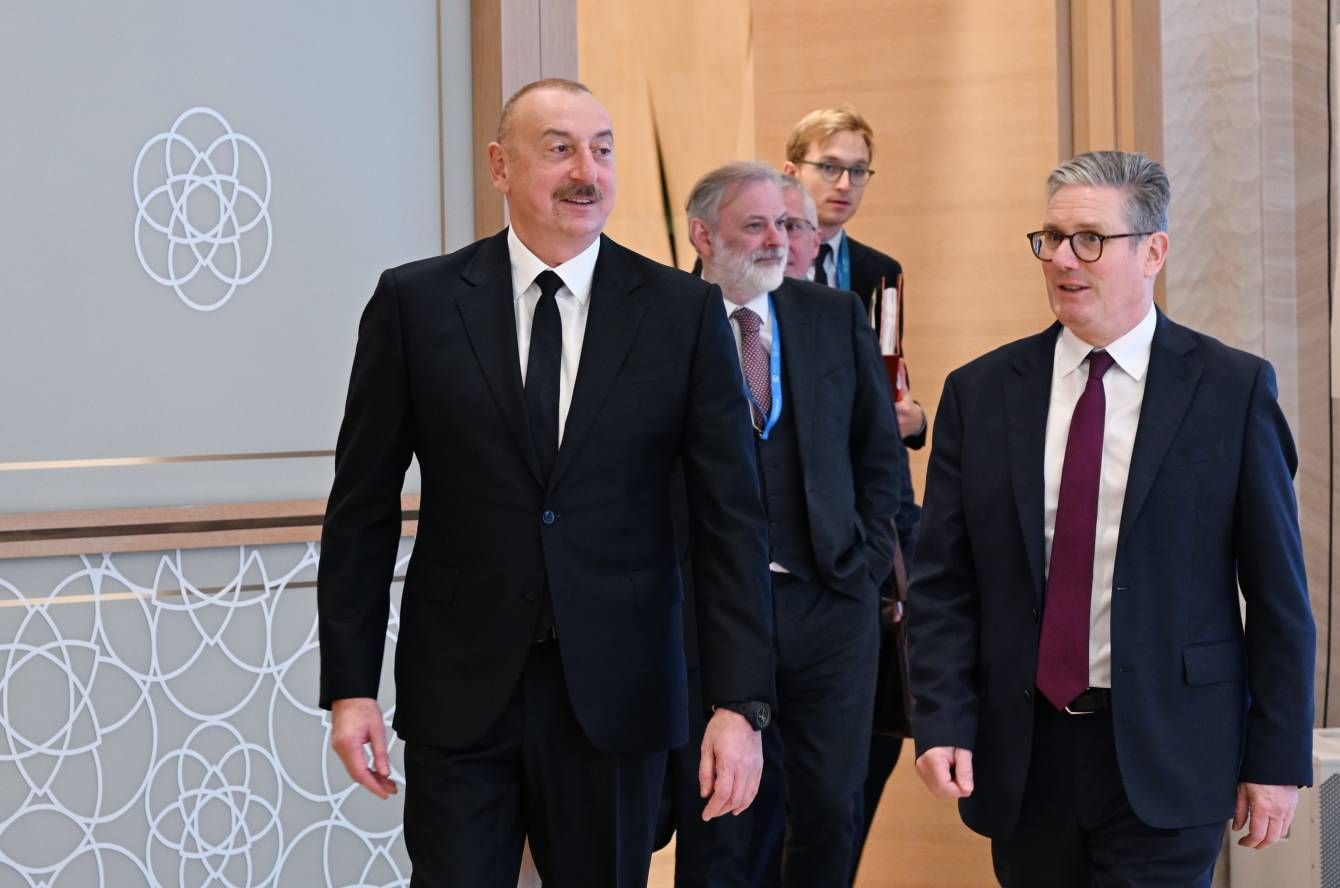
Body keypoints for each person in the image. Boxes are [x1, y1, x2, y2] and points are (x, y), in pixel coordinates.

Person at [317, 78, 775, 888]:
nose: (586, 172)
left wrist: (740, 705)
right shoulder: (415, 304)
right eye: (559, 148)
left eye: (602, 150)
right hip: (461, 694)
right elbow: (361, 510)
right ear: (500, 165)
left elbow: (729, 521)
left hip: (619, 693)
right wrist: (350, 689)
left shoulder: (681, 312)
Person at [908, 150, 1315, 886]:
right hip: (1025, 755)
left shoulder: (1230, 390)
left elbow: (1280, 597)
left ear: (1153, 251)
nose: (1064, 258)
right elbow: (943, 582)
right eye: (1052, 238)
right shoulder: (982, 392)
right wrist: (941, 719)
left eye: (1090, 239)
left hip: (1171, 748)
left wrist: (1277, 759)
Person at [666, 161, 904, 887]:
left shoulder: (830, 317)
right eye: (755, 225)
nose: (777, 241)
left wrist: (862, 567)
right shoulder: (666, 325)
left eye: (785, 224)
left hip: (830, 604)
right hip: (712, 613)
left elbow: (879, 455)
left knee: (833, 808)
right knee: (726, 810)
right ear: (703, 236)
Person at [783, 107, 924, 876]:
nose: (844, 184)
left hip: (860, 541)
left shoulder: (878, 271)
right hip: (782, 547)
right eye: (829, 166)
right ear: (792, 169)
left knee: (844, 787)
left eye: (858, 170)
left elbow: (895, 390)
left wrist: (914, 417)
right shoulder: (749, 266)